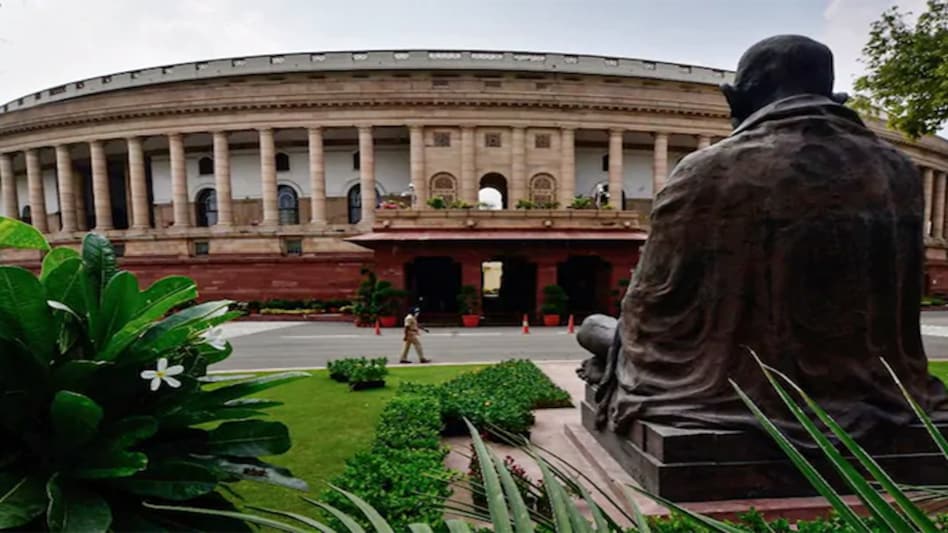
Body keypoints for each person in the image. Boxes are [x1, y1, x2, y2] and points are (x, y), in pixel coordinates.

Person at [579, 34, 948, 445]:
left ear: (733, 100)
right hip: (875, 388)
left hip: (723, 384)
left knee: (593, 328)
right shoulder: (898, 172)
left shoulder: (705, 171)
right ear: (836, 98)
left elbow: (652, 309)